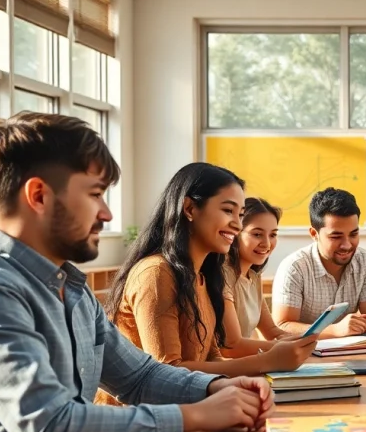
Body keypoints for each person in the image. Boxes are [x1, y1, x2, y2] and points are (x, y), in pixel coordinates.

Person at [0, 113, 274, 432]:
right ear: (39, 196)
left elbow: (139, 376)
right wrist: (194, 415)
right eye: (95, 194)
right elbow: (50, 430)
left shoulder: (71, 289)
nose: (107, 212)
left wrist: (216, 387)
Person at [98, 163, 317, 408]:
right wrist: (267, 361)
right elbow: (166, 373)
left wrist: (267, 363)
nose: (237, 224)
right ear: (190, 208)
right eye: (228, 210)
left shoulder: (203, 276)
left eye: (240, 215)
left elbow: (212, 359)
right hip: (139, 419)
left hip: (190, 410)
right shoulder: (157, 272)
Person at [272, 187, 366, 339]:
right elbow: (282, 326)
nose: (347, 245)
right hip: (304, 351)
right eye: (336, 237)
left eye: (353, 234)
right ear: (314, 234)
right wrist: (334, 330)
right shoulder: (294, 267)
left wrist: (351, 326)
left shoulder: (365, 261)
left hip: (349, 351)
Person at [221, 197, 294, 357]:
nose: (267, 244)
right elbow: (230, 347)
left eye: (273, 235)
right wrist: (279, 347)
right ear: (235, 233)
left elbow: (272, 332)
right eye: (257, 234)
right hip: (228, 367)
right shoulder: (223, 275)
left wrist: (307, 340)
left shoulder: (253, 276)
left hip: (249, 363)